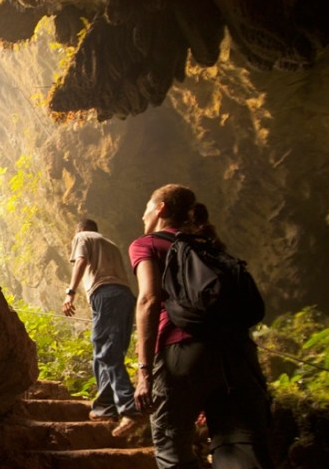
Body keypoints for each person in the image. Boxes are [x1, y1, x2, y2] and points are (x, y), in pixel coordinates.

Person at [129, 184, 273, 468]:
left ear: (160, 209)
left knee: (172, 451)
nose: (143, 215)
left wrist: (144, 371)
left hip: (181, 353)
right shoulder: (209, 245)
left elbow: (148, 300)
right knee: (241, 448)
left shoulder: (147, 244)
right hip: (237, 354)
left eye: (147, 207)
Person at [63, 218, 143, 436]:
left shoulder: (82, 236)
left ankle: (129, 407)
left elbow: (80, 261)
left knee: (106, 351)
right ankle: (105, 408)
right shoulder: (111, 244)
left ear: (80, 229)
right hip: (126, 296)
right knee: (109, 353)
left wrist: (70, 292)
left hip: (105, 294)